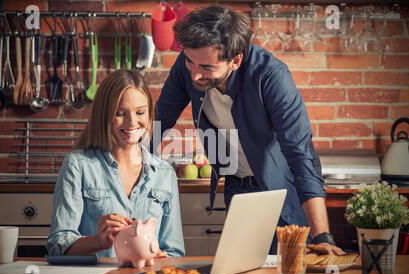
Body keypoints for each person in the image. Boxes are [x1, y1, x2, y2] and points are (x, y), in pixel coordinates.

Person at [154, 5, 344, 255]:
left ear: (235, 61)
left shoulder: (271, 76)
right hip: (237, 188)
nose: (195, 75)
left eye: (207, 68)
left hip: (282, 192)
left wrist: (323, 236)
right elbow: (158, 123)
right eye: (190, 61)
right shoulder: (188, 66)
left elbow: (301, 156)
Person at [47, 69, 185, 258]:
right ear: (104, 115)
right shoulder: (79, 165)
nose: (132, 123)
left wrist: (160, 256)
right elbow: (58, 244)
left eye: (140, 112)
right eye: (120, 113)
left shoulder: (164, 173)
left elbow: (174, 252)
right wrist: (99, 241)